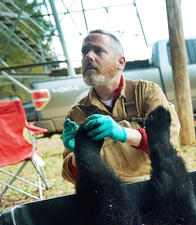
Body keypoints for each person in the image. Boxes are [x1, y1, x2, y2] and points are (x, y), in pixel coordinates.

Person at [61, 30, 181, 183]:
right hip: (113, 193)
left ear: (121, 62)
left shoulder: (146, 92)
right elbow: (70, 175)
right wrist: (80, 154)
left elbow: (166, 140)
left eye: (98, 50)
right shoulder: (77, 114)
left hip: (160, 183)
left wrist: (122, 133)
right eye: (84, 51)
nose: (88, 56)